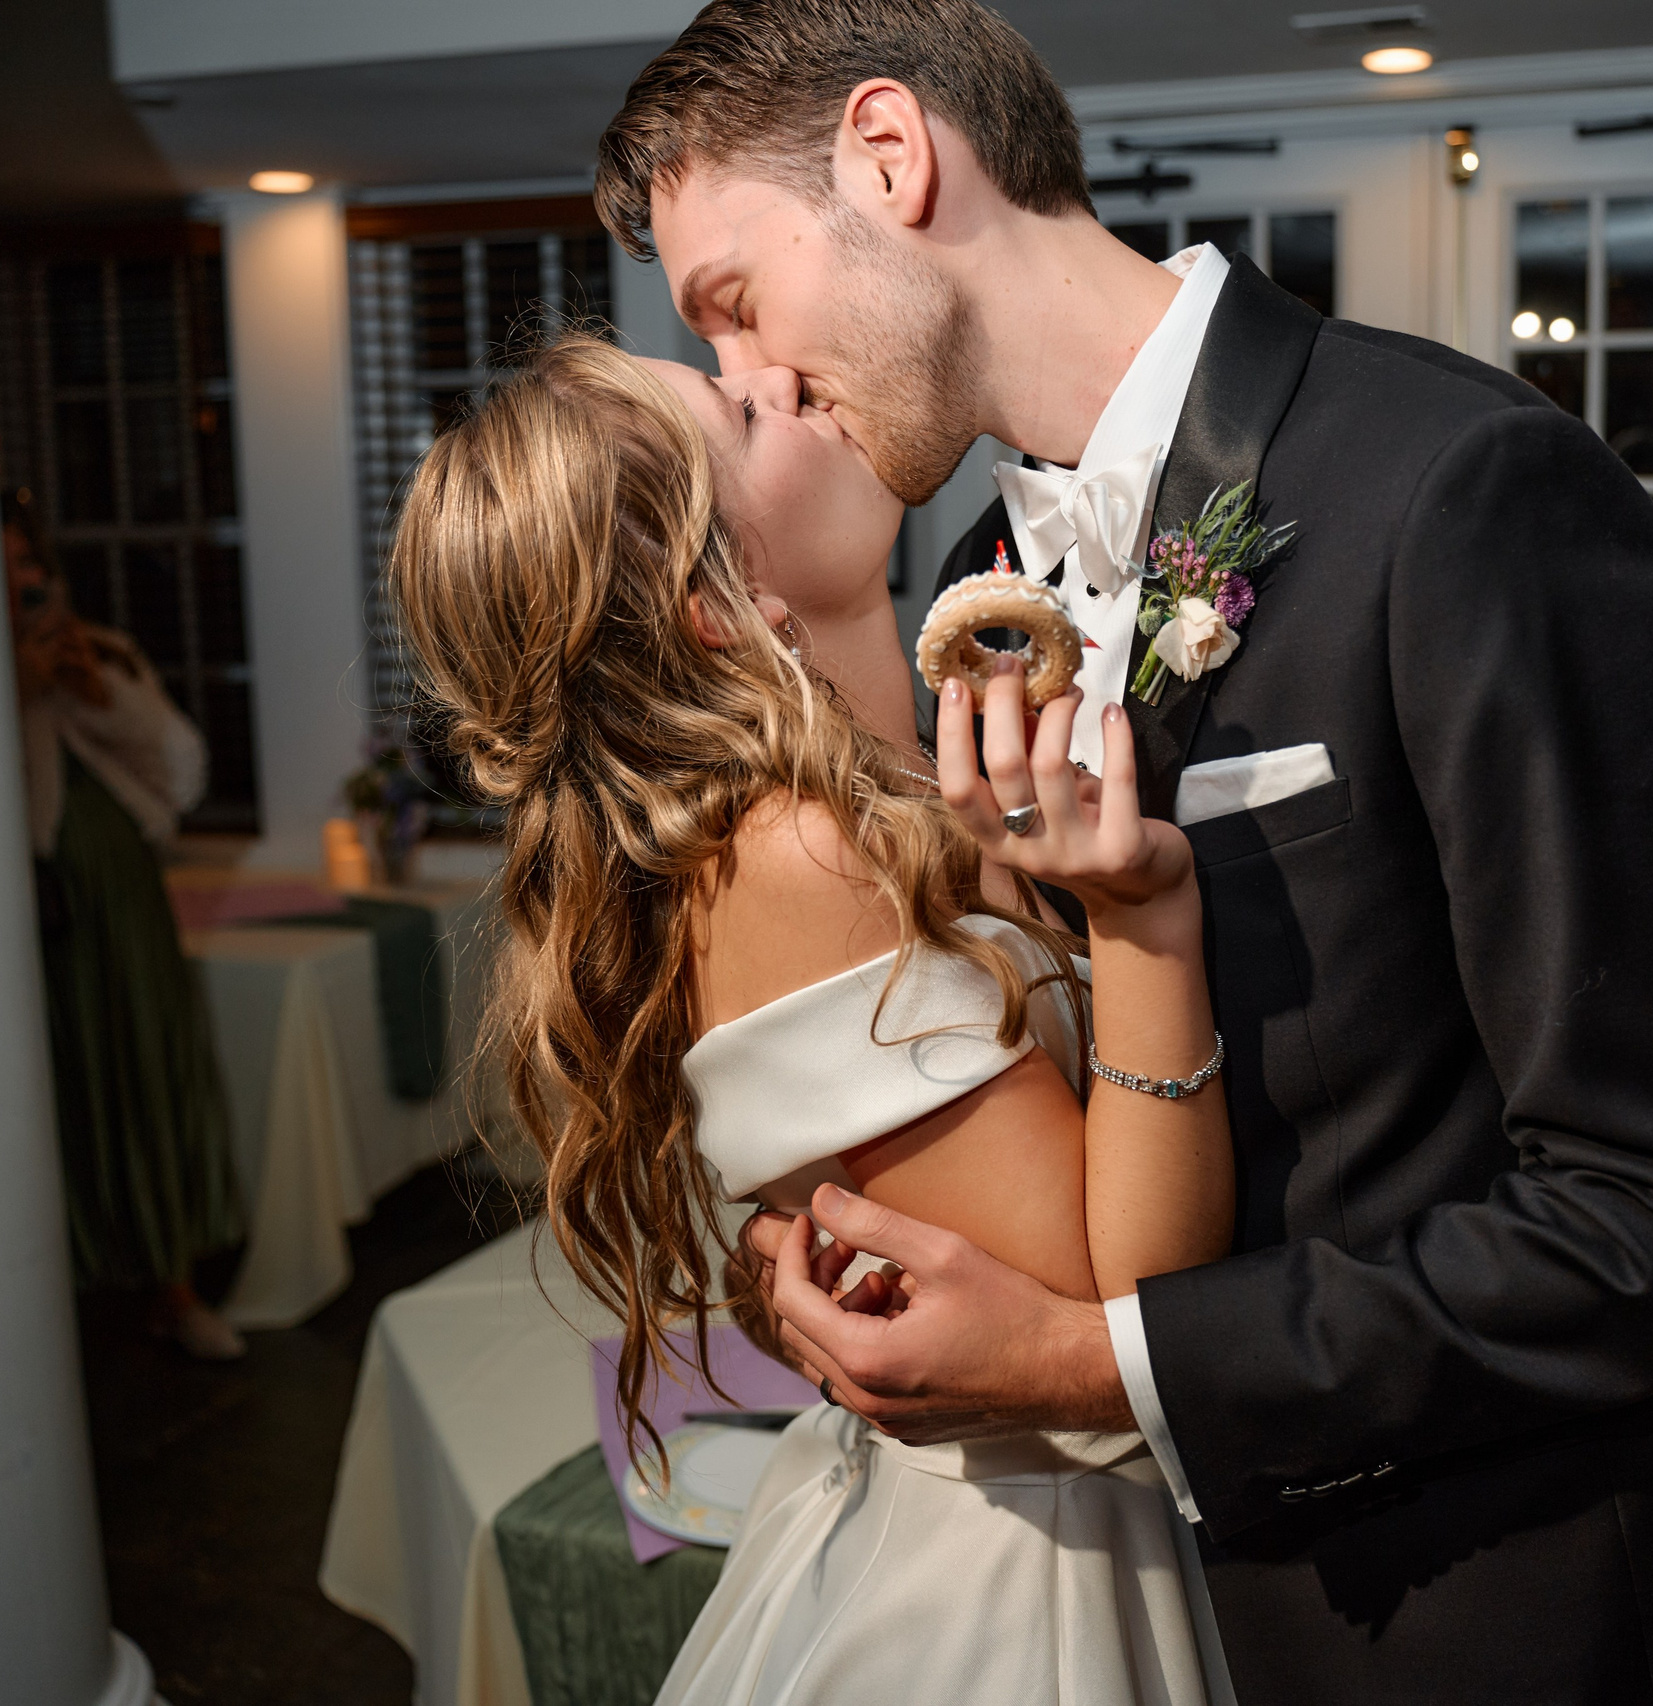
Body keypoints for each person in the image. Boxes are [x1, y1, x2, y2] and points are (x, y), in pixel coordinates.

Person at [597, 2, 1653, 1701]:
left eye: (735, 298)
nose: (753, 379)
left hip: (1479, 1614)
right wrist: (837, 1227)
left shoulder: (1461, 491)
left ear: (892, 153)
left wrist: (1104, 1364)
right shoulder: (970, 568)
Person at [385, 336, 1239, 1701]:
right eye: (737, 407)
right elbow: (1126, 1313)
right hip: (1031, 1579)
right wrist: (1147, 921)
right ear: (715, 602)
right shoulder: (792, 850)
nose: (778, 375)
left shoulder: (863, 795)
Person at [5, 492, 243, 1360]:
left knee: (148, 1072)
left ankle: (173, 1283)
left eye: (32, 565)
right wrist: (15, 690)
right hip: (39, 904)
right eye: (7, 569)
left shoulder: (97, 652)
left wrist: (93, 692)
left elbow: (181, 774)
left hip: (125, 899)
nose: (27, 583)